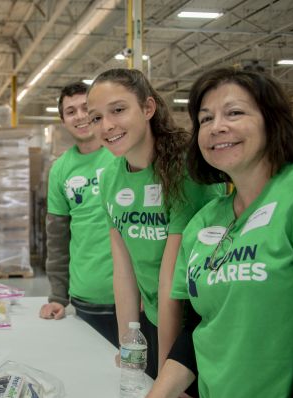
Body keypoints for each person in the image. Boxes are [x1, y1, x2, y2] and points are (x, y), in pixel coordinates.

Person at [82, 67, 293, 398]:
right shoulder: (209, 221)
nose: (217, 126)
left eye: (234, 113)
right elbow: (204, 323)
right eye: (206, 119)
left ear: (272, 120)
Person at [86, 68, 222, 380]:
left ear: (148, 108)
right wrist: (127, 346)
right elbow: (123, 270)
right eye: (96, 118)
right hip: (155, 318)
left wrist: (165, 371)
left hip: (197, 327)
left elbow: (171, 280)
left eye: (118, 110)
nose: (107, 125)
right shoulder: (110, 179)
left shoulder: (186, 172)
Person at [38, 81, 119, 348]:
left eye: (86, 108)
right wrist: (58, 297)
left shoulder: (123, 157)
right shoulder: (61, 169)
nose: (80, 116)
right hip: (86, 297)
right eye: (71, 111)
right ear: (63, 120)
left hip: (135, 298)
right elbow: (57, 240)